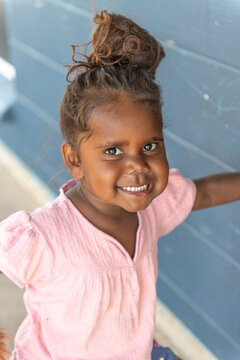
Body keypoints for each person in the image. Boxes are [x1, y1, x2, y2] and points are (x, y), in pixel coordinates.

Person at [0, 9, 239, 360]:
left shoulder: (151, 206)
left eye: (150, 146)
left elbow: (204, 192)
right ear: (75, 160)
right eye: (113, 151)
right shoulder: (42, 237)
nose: (138, 167)